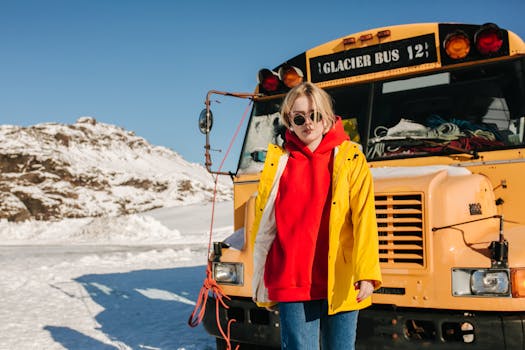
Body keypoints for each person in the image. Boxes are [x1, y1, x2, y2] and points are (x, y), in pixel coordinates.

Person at [251, 82, 382, 350]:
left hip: (340, 278)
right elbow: (266, 226)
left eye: (315, 115)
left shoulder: (351, 159)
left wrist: (367, 272)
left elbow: (364, 218)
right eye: (299, 118)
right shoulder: (278, 164)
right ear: (289, 122)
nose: (308, 123)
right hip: (292, 279)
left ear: (327, 119)